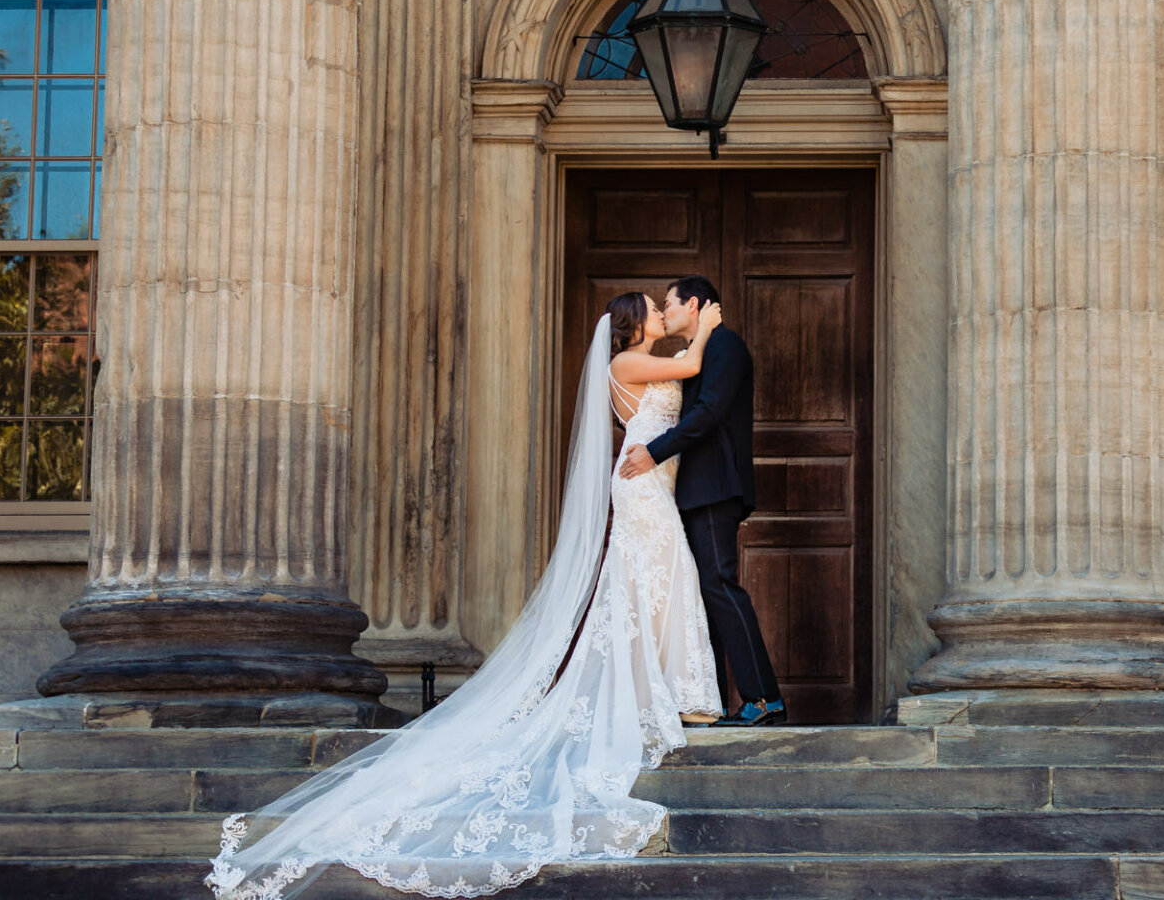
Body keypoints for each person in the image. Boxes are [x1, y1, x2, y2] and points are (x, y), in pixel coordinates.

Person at [206, 295, 725, 900]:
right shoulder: (628, 365)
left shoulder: (641, 361)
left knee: (658, 587)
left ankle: (670, 687)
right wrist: (707, 328)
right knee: (648, 585)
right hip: (641, 494)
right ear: (634, 326)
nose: (662, 314)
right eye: (651, 310)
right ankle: (660, 691)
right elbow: (688, 369)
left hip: (653, 484)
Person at [619, 276, 784, 726]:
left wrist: (653, 452)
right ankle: (713, 701)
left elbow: (708, 414)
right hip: (689, 491)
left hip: (713, 486)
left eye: (668, 304)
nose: (664, 311)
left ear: (692, 304)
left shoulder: (724, 345)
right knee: (705, 590)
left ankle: (763, 699)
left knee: (720, 585)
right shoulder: (695, 352)